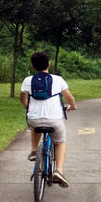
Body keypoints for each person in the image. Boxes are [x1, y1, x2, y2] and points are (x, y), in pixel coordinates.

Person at [20, 51, 77, 188]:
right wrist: (72, 106)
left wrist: (28, 106)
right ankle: (59, 171)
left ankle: (34, 151)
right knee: (61, 142)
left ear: (33, 67)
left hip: (34, 118)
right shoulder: (58, 79)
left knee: (35, 126)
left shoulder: (28, 80)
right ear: (49, 64)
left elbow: (22, 98)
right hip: (54, 119)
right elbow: (70, 98)